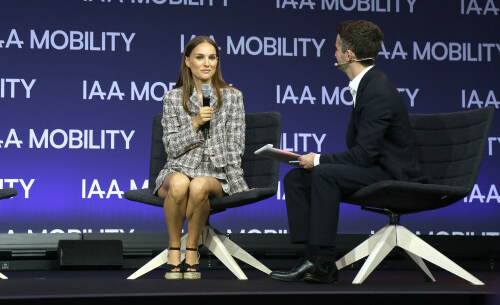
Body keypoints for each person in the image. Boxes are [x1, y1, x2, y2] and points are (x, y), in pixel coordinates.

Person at [270, 20, 428, 284]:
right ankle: (312, 256)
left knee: (323, 174)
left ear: (349, 55)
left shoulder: (377, 91)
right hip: (375, 168)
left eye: (336, 49)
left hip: (393, 175)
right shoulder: (366, 86)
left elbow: (364, 155)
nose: (334, 54)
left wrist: (318, 159)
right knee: (296, 178)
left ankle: (324, 262)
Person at [154, 35, 249, 280]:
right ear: (187, 61)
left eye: (212, 57)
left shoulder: (232, 97)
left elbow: (236, 146)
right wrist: (195, 123)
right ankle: (174, 248)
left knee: (198, 185)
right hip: (179, 167)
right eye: (199, 57)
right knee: (180, 183)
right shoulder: (173, 98)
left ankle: (192, 249)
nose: (207, 63)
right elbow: (172, 148)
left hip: (215, 172)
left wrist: (237, 183)